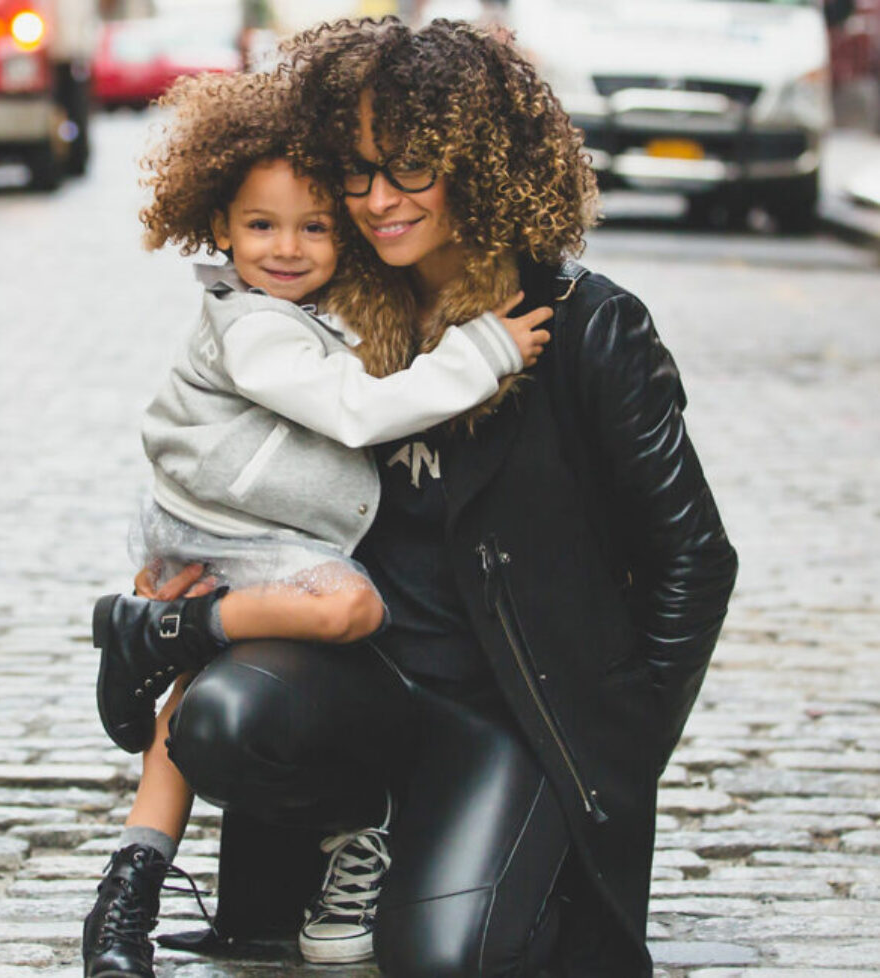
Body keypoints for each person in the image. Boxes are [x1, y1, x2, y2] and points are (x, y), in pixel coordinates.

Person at [135, 18, 737, 978]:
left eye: (410, 168)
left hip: (512, 713)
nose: (377, 199)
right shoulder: (324, 309)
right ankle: (362, 835)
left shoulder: (588, 328)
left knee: (446, 960)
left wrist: (611, 756)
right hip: (366, 687)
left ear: (480, 161)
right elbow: (234, 464)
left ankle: (490, 845)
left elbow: (693, 560)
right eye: (358, 171)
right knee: (223, 722)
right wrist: (188, 577)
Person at [82, 68, 553, 978]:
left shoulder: (307, 310)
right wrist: (485, 351)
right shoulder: (255, 326)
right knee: (348, 609)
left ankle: (127, 890)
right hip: (231, 533)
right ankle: (158, 630)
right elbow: (353, 412)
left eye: (315, 227)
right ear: (220, 227)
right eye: (262, 226)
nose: (288, 248)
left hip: (222, 530)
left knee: (192, 697)